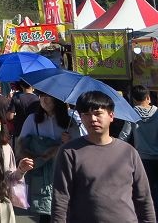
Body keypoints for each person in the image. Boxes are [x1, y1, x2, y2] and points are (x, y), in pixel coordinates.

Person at [51, 90, 157, 223]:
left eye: (98, 113)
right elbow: (60, 198)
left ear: (111, 115)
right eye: (86, 114)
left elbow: (143, 198)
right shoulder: (69, 152)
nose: (92, 119)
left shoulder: (129, 152)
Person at [16, 91, 70, 223]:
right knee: (45, 212)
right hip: (42, 174)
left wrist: (69, 142)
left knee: (64, 211)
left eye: (49, 97)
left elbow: (79, 147)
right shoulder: (32, 119)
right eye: (41, 96)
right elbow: (21, 145)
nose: (44, 100)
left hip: (63, 172)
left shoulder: (69, 122)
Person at [133, 84, 158, 207]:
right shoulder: (157, 112)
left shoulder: (132, 114)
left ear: (134, 99)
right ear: (148, 97)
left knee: (146, 190)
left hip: (142, 158)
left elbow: (125, 134)